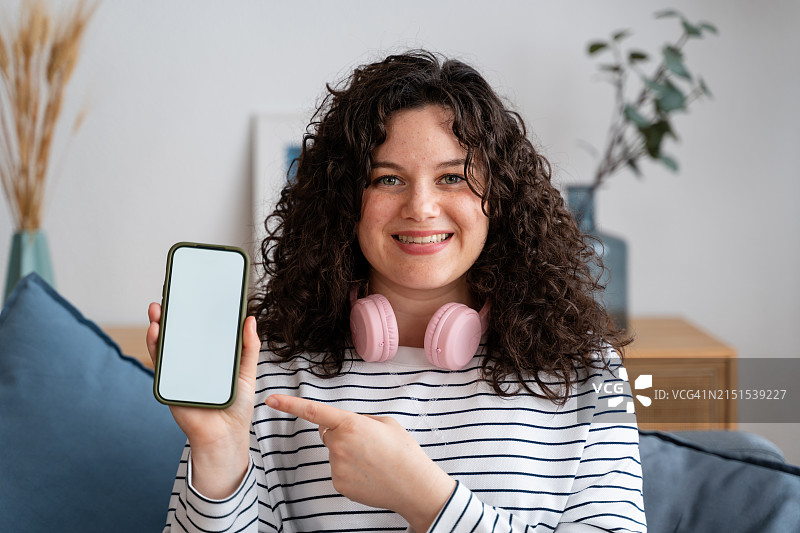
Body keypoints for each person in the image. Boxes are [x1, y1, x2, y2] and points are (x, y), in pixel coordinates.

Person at [147, 50, 646, 533]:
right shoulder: (269, 368)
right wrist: (218, 453)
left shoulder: (588, 368)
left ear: (501, 196)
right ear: (346, 200)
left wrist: (426, 500)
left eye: (452, 177)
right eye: (388, 180)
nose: (421, 207)